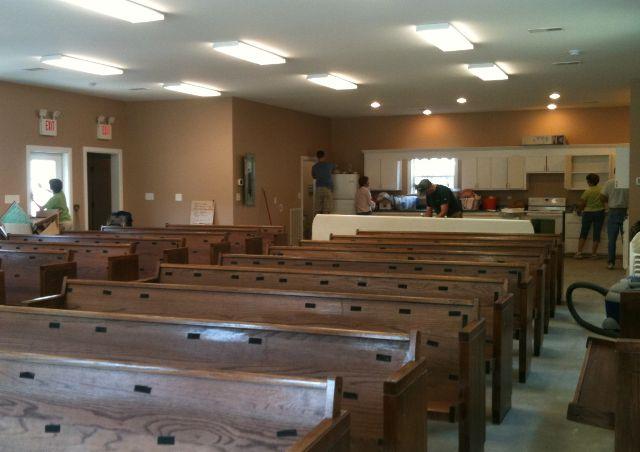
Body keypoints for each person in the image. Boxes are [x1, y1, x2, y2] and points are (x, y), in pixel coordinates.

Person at [600, 178, 629, 269]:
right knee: (626, 240)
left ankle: (611, 263)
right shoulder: (628, 182)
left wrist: (609, 200)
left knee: (612, 240)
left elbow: (601, 197)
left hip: (612, 212)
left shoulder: (609, 183)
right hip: (626, 212)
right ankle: (627, 263)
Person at [575, 173, 604, 259]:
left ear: (589, 181)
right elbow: (604, 199)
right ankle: (594, 254)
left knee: (584, 232)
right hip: (599, 212)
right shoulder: (602, 189)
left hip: (588, 213)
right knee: (597, 233)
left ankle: (579, 252)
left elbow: (582, 203)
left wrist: (579, 210)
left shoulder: (587, 191)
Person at [311, 150, 336, 215]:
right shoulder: (329, 165)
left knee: (318, 209)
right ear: (324, 156)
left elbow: (314, 177)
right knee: (327, 209)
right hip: (327, 188)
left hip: (318, 188)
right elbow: (336, 166)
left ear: (317, 157)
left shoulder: (314, 167)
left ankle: (318, 224)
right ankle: (325, 224)